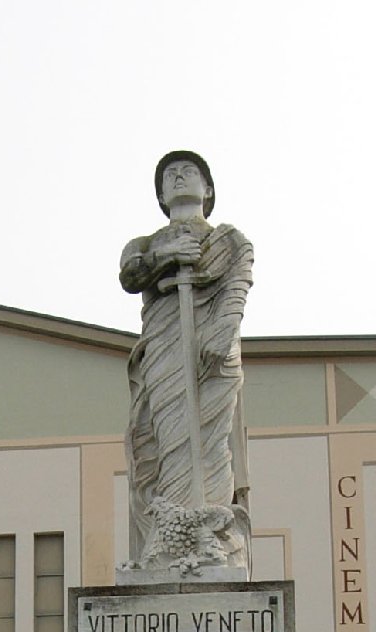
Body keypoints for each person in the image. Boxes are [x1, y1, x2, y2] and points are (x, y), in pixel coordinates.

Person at [120, 152, 253, 575]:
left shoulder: (230, 242)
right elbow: (128, 274)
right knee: (167, 434)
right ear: (160, 194)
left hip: (211, 353)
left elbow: (237, 288)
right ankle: (169, 535)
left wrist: (221, 333)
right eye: (170, 175)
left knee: (212, 439)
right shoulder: (144, 244)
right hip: (165, 347)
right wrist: (166, 256)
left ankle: (211, 534)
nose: (179, 177)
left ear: (208, 189)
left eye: (189, 172)